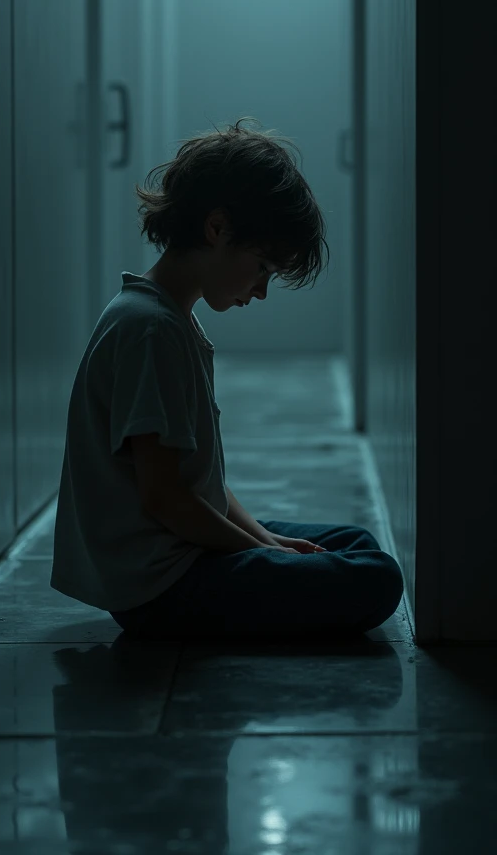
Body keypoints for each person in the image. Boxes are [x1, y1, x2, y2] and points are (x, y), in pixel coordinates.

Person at [50, 117, 404, 640]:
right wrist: (266, 552)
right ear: (217, 229)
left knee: (354, 544)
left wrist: (266, 542)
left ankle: (284, 562)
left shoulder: (167, 319)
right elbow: (165, 499)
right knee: (377, 578)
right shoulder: (151, 331)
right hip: (161, 587)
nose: (260, 291)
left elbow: (199, 487)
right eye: (261, 266)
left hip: (180, 551)